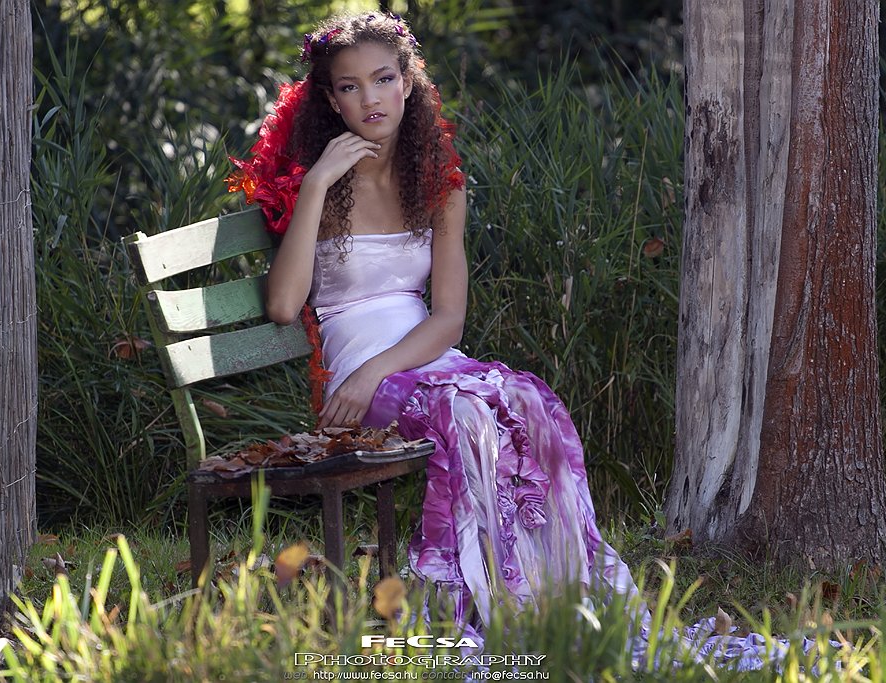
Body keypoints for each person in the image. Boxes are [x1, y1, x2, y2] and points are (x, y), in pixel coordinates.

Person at [227, 11, 825, 670]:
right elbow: (283, 305)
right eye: (350, 86)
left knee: (529, 403)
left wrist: (383, 369)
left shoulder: (438, 187)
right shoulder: (317, 184)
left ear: (407, 82)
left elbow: (447, 319)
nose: (370, 98)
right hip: (354, 377)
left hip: (422, 358)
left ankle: (551, 602)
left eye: (383, 78)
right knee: (465, 413)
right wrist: (316, 183)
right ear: (330, 98)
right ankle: (466, 606)